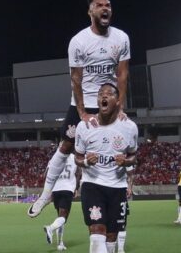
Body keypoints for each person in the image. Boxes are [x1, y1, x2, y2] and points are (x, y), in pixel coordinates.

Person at [29, 0, 131, 218]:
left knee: (117, 147)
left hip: (109, 103)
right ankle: (46, 194)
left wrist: (120, 106)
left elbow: (122, 74)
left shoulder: (121, 38)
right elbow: (76, 78)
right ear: (90, 11)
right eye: (99, 5)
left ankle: (117, 195)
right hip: (83, 103)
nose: (105, 8)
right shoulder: (79, 41)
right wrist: (82, 111)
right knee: (65, 146)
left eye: (108, 5)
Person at [74, 83, 138, 253]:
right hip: (92, 185)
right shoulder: (84, 126)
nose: (104, 96)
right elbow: (77, 158)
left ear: (117, 101)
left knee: (111, 237)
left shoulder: (129, 127)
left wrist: (125, 161)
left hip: (117, 187)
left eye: (109, 94)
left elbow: (133, 156)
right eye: (101, 94)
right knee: (97, 232)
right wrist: (87, 162)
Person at [43, 154, 81, 251]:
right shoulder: (74, 157)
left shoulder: (54, 157)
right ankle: (50, 228)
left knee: (60, 217)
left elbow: (46, 175)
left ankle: (60, 243)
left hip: (56, 189)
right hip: (67, 188)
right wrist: (76, 188)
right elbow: (79, 173)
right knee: (63, 217)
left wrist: (48, 189)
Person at [118, 165, 134, 253]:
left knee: (122, 222)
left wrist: (130, 187)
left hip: (120, 192)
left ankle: (120, 249)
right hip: (105, 193)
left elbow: (131, 174)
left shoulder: (124, 157)